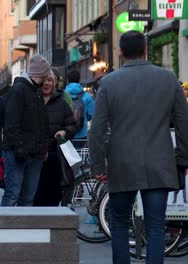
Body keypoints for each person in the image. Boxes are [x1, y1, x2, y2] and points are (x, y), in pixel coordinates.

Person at [89, 30, 188, 264]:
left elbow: (97, 129)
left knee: (120, 223)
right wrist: (182, 160)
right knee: (156, 226)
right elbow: (184, 125)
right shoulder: (168, 78)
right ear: (145, 49)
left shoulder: (108, 82)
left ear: (121, 53)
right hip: (159, 162)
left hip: (121, 163)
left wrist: (97, 165)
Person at [1, 54, 50, 207]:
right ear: (41, 73)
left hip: (32, 153)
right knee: (14, 195)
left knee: (22, 196)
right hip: (19, 153)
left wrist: (42, 148)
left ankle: (19, 230)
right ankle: (5, 229)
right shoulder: (20, 90)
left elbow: (40, 124)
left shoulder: (34, 91)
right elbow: (11, 124)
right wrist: (20, 147)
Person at [34, 74, 76, 206]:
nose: (46, 84)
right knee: (35, 193)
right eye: (44, 81)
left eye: (49, 81)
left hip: (55, 156)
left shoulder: (61, 103)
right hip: (35, 155)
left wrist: (65, 131)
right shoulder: (32, 100)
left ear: (54, 83)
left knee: (53, 193)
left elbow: (72, 125)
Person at [65, 70, 95, 139]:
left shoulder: (62, 95)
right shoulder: (87, 96)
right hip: (82, 134)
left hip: (66, 134)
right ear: (79, 79)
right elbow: (92, 115)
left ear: (68, 80)